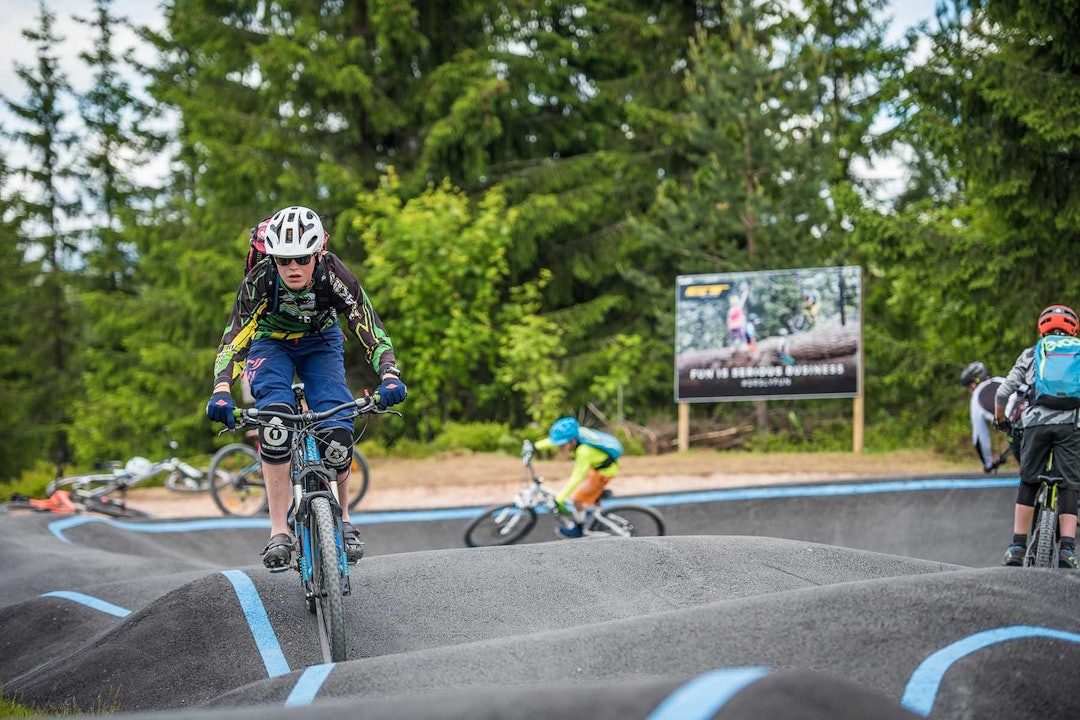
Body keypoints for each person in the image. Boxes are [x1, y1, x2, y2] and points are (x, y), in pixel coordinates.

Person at [205, 205, 407, 569]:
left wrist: (389, 373)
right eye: (283, 261)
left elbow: (367, 324)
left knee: (339, 434)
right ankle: (278, 530)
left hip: (321, 341)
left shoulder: (333, 274)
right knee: (276, 426)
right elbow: (234, 338)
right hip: (271, 343)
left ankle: (344, 519)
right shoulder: (261, 280)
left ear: (318, 253)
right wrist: (221, 388)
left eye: (301, 258)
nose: (293, 268)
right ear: (272, 259)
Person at [994, 305, 1080, 569]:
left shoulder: (1032, 353)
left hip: (1035, 426)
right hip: (1071, 427)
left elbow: (1002, 394)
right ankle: (1067, 549)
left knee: (1029, 481)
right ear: (1074, 329)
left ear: (1041, 328)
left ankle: (1017, 547)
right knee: (1070, 485)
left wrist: (1001, 419)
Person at [533, 417, 622, 538]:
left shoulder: (584, 452)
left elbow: (576, 478)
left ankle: (579, 530)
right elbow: (553, 440)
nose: (560, 448)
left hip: (603, 474)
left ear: (572, 440)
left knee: (577, 500)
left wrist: (560, 498)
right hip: (600, 468)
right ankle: (597, 514)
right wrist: (535, 446)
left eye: (563, 445)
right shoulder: (577, 433)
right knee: (589, 496)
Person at [959, 361, 1014, 472]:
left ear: (974, 383)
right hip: (1038, 415)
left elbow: (979, 438)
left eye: (969, 386)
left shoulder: (977, 397)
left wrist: (987, 464)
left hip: (1017, 425)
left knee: (1030, 479)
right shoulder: (1001, 380)